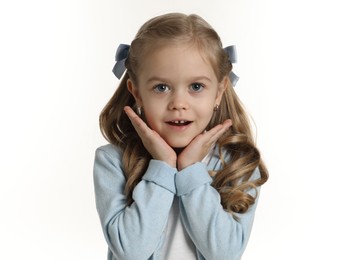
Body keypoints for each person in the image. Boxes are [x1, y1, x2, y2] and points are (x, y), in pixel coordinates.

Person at [93, 12, 268, 260]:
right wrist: (163, 166)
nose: (178, 103)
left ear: (219, 92)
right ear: (137, 92)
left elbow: (225, 254)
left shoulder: (238, 164)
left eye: (196, 87)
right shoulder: (112, 161)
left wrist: (191, 171)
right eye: (161, 87)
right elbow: (131, 251)